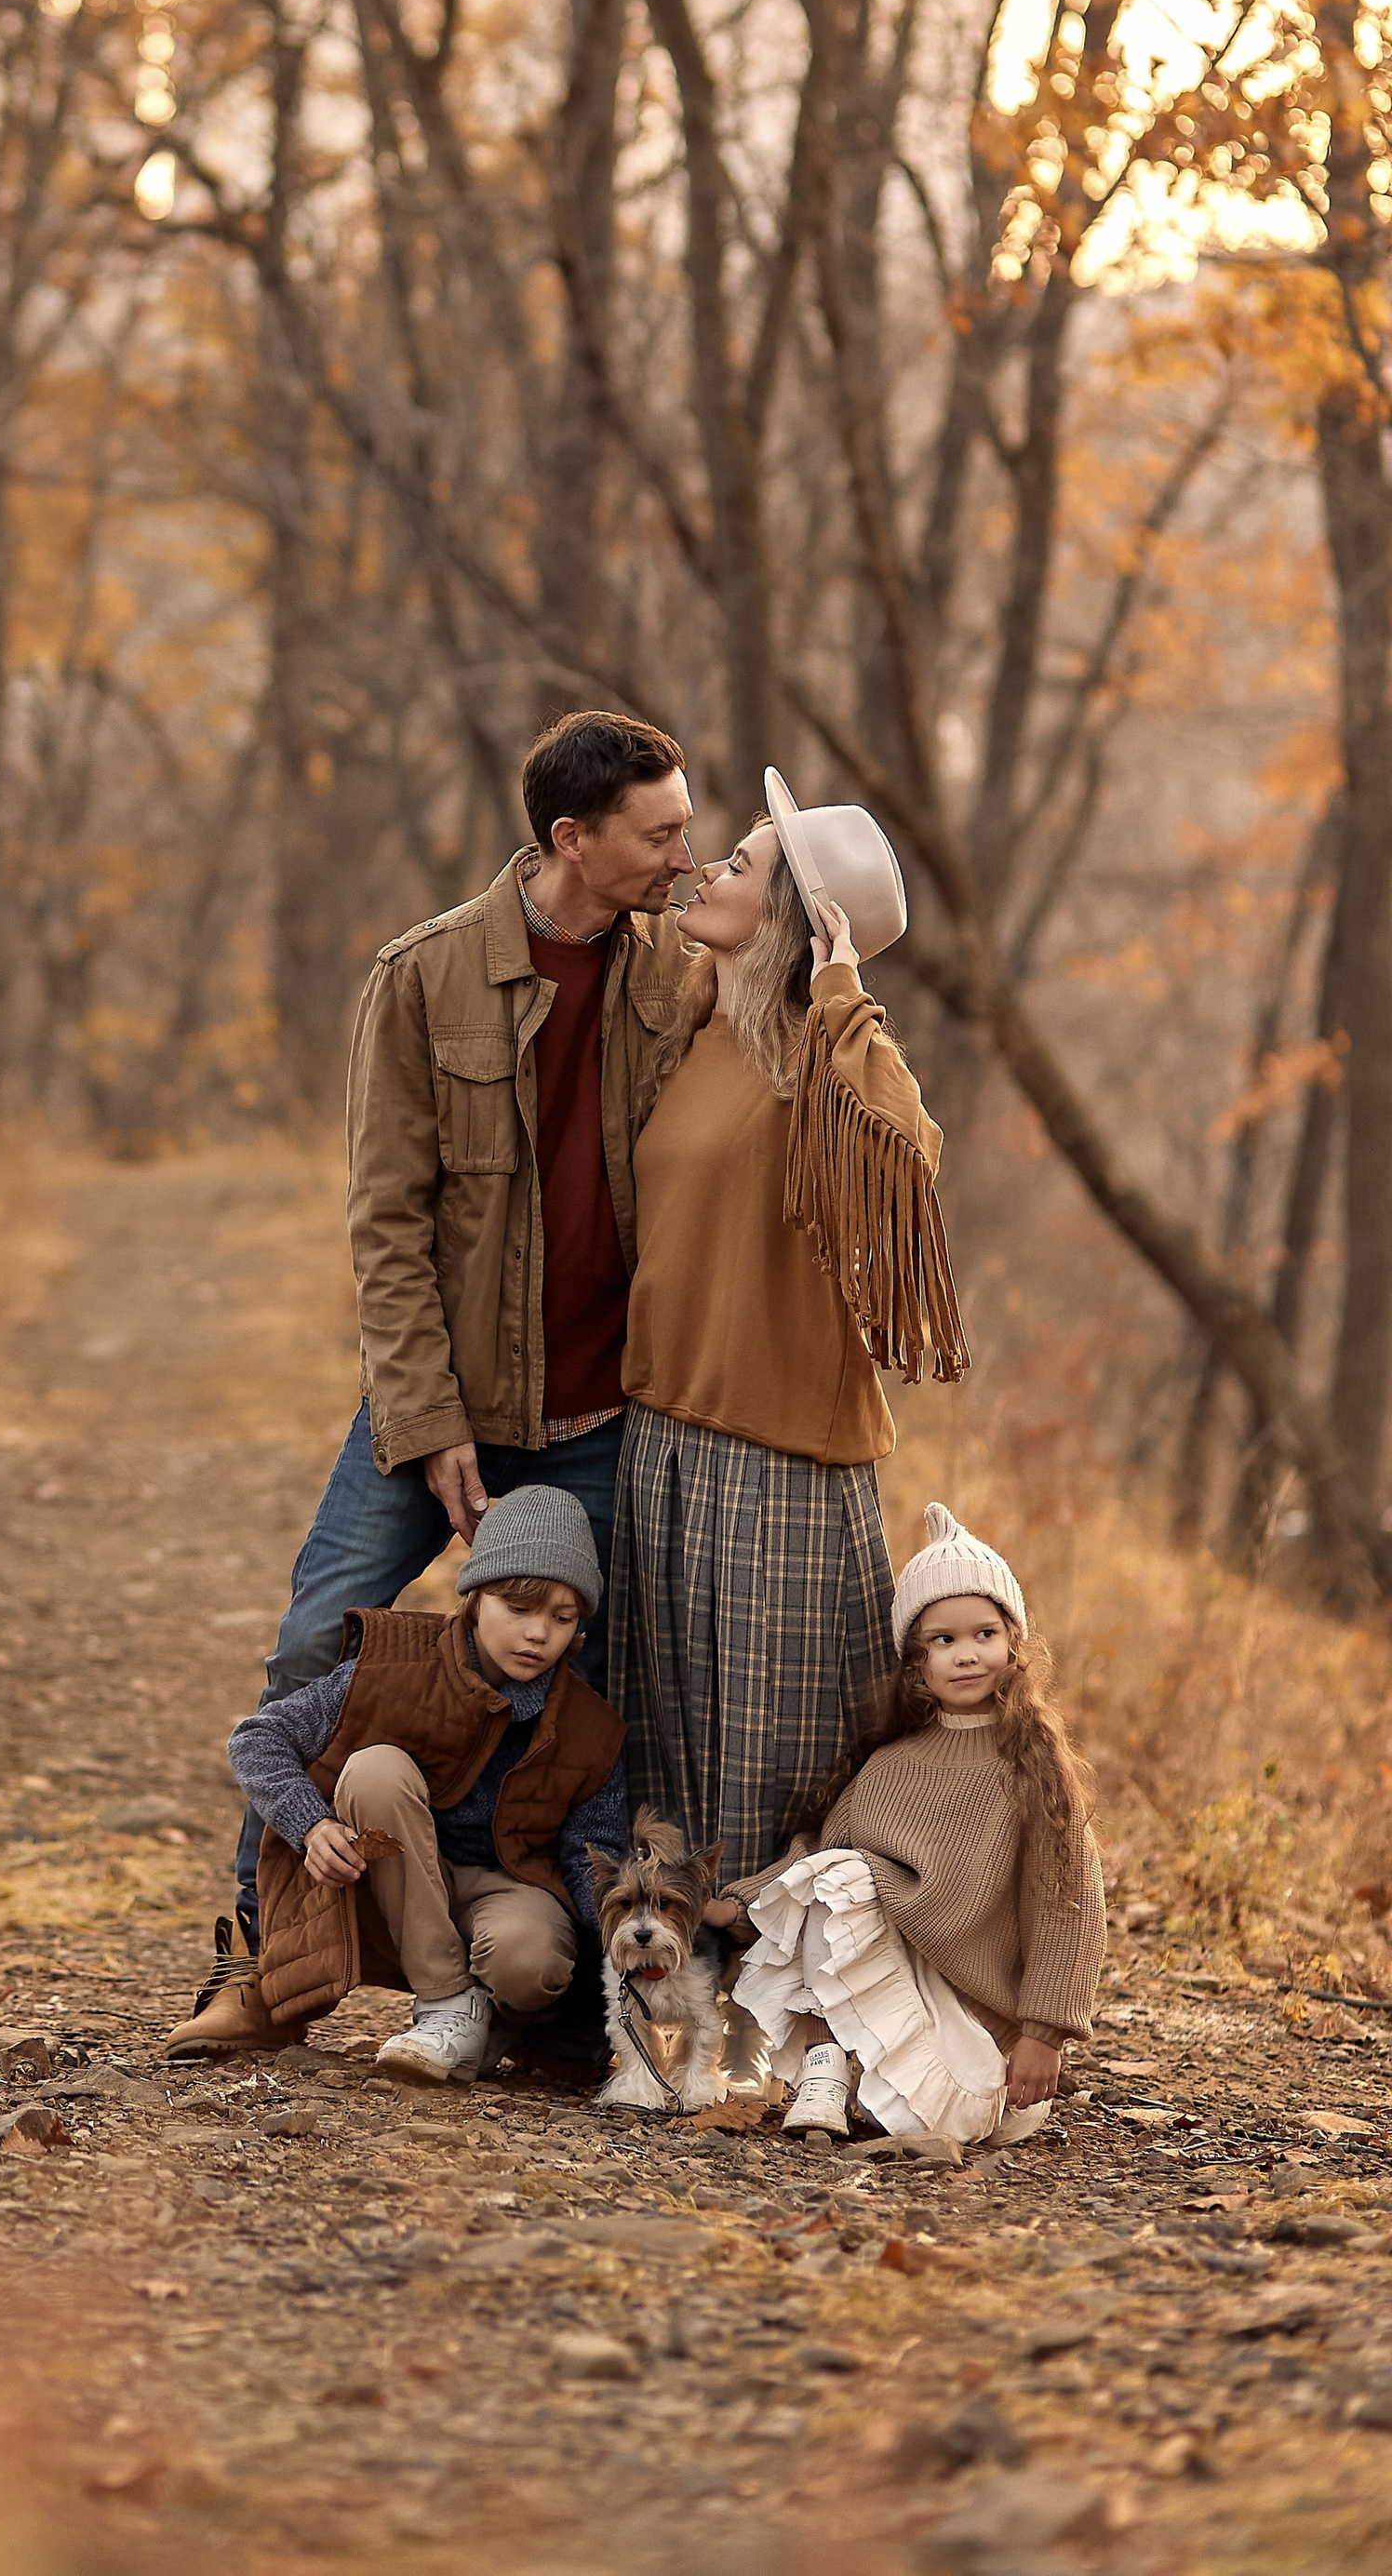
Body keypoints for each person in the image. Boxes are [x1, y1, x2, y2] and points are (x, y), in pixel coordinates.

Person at [168, 709, 702, 2056]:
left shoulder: (680, 977)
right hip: (438, 1403)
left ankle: (583, 2002)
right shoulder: (421, 978)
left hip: (605, 1420)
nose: (684, 857)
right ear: (571, 840)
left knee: (608, 1693)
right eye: (661, 833)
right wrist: (427, 1421)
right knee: (317, 1640)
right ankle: (261, 1964)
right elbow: (387, 1225)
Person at [607, 768, 968, 1896]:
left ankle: (788, 2019)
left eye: (744, 864)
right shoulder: (694, 1029)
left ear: (796, 918)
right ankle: (666, 2009)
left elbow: (908, 1151)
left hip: (779, 1454)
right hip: (664, 1433)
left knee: (774, 1760)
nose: (710, 867)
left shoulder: (823, 1055)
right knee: (664, 1740)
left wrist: (844, 984)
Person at [718, 1502, 1105, 2144]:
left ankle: (876, 2090)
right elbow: (820, 1859)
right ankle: (824, 2071)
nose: (966, 1655)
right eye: (943, 1641)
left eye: (985, 1634)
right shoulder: (892, 1764)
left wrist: (1044, 2033)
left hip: (992, 2037)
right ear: (916, 1663)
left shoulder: (1035, 1771)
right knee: (837, 1875)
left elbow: (1070, 1907)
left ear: (1014, 1644)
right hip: (907, 1994)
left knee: (942, 2118)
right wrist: (736, 1904)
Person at [226, 1486, 630, 2082]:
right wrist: (310, 1824)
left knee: (533, 1958)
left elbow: (588, 1859)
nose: (539, 1634)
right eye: (518, 1609)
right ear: (473, 1598)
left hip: (502, 1890)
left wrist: (637, 1934)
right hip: (386, 1882)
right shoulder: (393, 1662)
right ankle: (446, 2005)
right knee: (375, 1770)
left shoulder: (591, 1727)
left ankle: (489, 2020)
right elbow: (257, 1740)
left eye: (562, 1618)